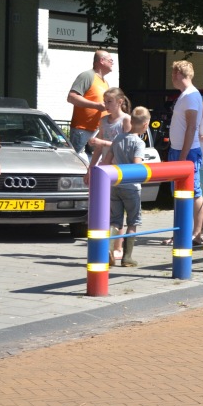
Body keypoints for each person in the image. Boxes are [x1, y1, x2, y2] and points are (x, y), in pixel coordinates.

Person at [108, 107, 150, 267]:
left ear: (130, 121)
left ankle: (108, 250)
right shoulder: (139, 143)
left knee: (115, 221)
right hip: (131, 188)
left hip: (115, 185)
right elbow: (137, 166)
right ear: (145, 125)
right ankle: (127, 257)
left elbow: (108, 160)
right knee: (133, 221)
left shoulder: (118, 138)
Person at [169, 61, 203, 245]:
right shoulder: (187, 95)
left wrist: (182, 157)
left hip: (187, 152)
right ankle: (181, 232)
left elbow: (191, 127)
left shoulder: (190, 96)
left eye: (173, 73)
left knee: (194, 191)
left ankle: (196, 233)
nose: (172, 77)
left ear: (178, 74)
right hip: (180, 150)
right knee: (180, 193)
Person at [66, 50, 113, 160]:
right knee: (78, 162)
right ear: (101, 60)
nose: (112, 63)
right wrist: (96, 105)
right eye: (110, 60)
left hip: (98, 131)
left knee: (95, 164)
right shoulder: (87, 76)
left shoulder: (105, 82)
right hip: (83, 130)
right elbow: (71, 97)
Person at [85, 87, 131, 184]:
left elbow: (127, 146)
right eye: (105, 101)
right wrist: (90, 169)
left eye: (109, 101)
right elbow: (98, 149)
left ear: (120, 101)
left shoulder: (126, 119)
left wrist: (102, 142)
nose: (106, 104)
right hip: (107, 167)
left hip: (122, 169)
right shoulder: (103, 121)